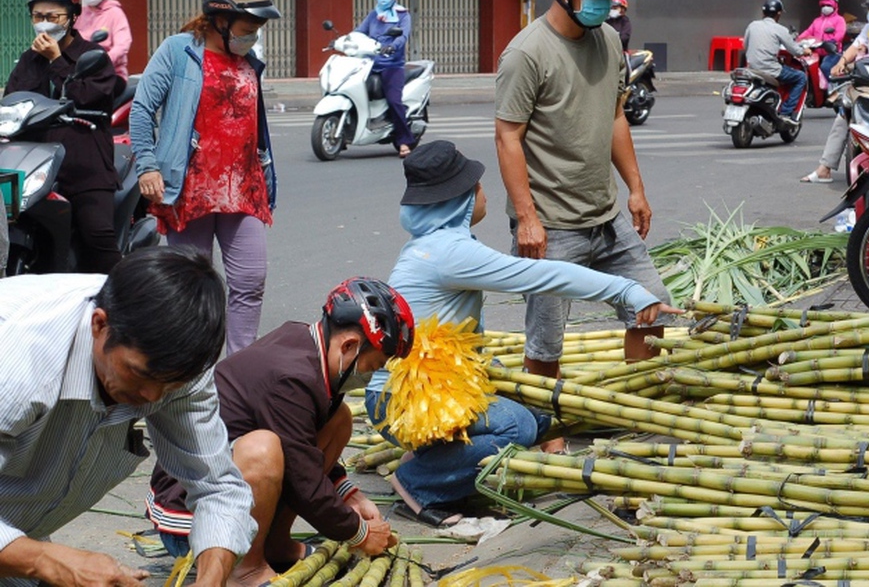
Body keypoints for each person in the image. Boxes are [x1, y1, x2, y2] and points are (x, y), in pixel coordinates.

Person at [366, 140, 682, 526]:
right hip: (404, 399)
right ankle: (418, 484)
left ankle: (431, 457)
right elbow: (546, 274)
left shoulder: (431, 244)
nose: (484, 194)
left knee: (536, 406)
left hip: (424, 390)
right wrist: (626, 289)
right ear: (461, 200)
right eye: (478, 187)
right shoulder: (451, 252)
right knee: (518, 425)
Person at [495, 0, 678, 453]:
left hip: (606, 215)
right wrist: (527, 218)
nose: (603, 2)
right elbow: (507, 137)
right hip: (551, 225)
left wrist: (635, 190)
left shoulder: (607, 42)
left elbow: (616, 115)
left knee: (653, 309)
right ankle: (546, 436)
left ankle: (641, 411)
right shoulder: (526, 53)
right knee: (546, 340)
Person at [0, 246, 255, 587]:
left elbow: (217, 488)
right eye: (138, 374)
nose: (151, 398)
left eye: (170, 385)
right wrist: (45, 560)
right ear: (99, 325)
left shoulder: (179, 364)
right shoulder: (18, 359)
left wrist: (210, 578)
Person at [148, 277, 411, 585]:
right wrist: (358, 532)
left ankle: (273, 544)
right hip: (193, 519)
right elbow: (304, 480)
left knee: (338, 418)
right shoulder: (290, 378)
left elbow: (303, 446)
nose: (372, 374)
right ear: (350, 345)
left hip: (233, 488)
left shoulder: (312, 347)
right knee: (263, 449)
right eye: (375, 365)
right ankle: (244, 569)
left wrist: (350, 495)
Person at [131, 0, 280, 356]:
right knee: (193, 287)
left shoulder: (249, 61)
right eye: (248, 28)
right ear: (220, 18)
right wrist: (147, 166)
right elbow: (143, 109)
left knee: (250, 280)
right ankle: (194, 369)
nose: (253, 37)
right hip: (191, 188)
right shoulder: (179, 50)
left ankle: (238, 369)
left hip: (243, 189)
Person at [4, 0, 122, 274]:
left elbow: (87, 97)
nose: (44, 22)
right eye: (38, 16)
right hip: (35, 163)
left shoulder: (93, 57)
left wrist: (57, 60)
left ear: (72, 16)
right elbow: (11, 101)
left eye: (52, 16)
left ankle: (121, 303)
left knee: (97, 235)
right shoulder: (28, 60)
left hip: (83, 166)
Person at [801, 6, 869, 184]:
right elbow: (852, 51)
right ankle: (825, 168)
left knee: (842, 117)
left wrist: (849, 64)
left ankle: (825, 168)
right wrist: (844, 62)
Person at [354, 0, 415, 158]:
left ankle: (404, 140)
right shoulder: (374, 15)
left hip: (392, 65)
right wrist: (345, 40)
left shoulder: (403, 15)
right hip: (370, 63)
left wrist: (393, 46)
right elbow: (360, 32)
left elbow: (402, 36)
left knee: (394, 100)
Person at [743, 0, 811, 128]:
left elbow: (746, 45)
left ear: (763, 13)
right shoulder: (780, 29)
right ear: (779, 13)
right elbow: (795, 50)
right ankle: (786, 112)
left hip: (752, 68)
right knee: (801, 77)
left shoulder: (752, 25)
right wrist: (805, 51)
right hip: (770, 70)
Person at [74, 0, 132, 96]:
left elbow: (122, 45)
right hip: (81, 73)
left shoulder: (115, 13)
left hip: (111, 74)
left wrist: (103, 62)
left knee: (91, 94)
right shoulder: (80, 13)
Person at [796, 0, 846, 82]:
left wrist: (832, 41)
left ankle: (835, 88)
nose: (825, 7)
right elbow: (808, 31)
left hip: (832, 53)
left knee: (825, 67)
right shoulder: (817, 20)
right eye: (823, 5)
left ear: (835, 6)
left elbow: (840, 34)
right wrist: (798, 39)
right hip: (817, 52)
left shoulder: (839, 20)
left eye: (828, 5)